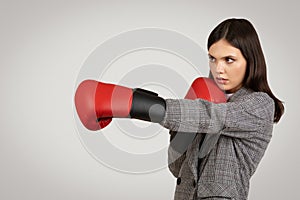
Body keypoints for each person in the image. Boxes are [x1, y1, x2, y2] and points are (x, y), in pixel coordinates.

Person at [74, 18, 284, 200]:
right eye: (213, 58)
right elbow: (177, 168)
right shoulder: (207, 101)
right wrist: (180, 128)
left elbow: (213, 117)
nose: (219, 69)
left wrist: (137, 104)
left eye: (229, 60)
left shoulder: (259, 104)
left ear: (250, 60)